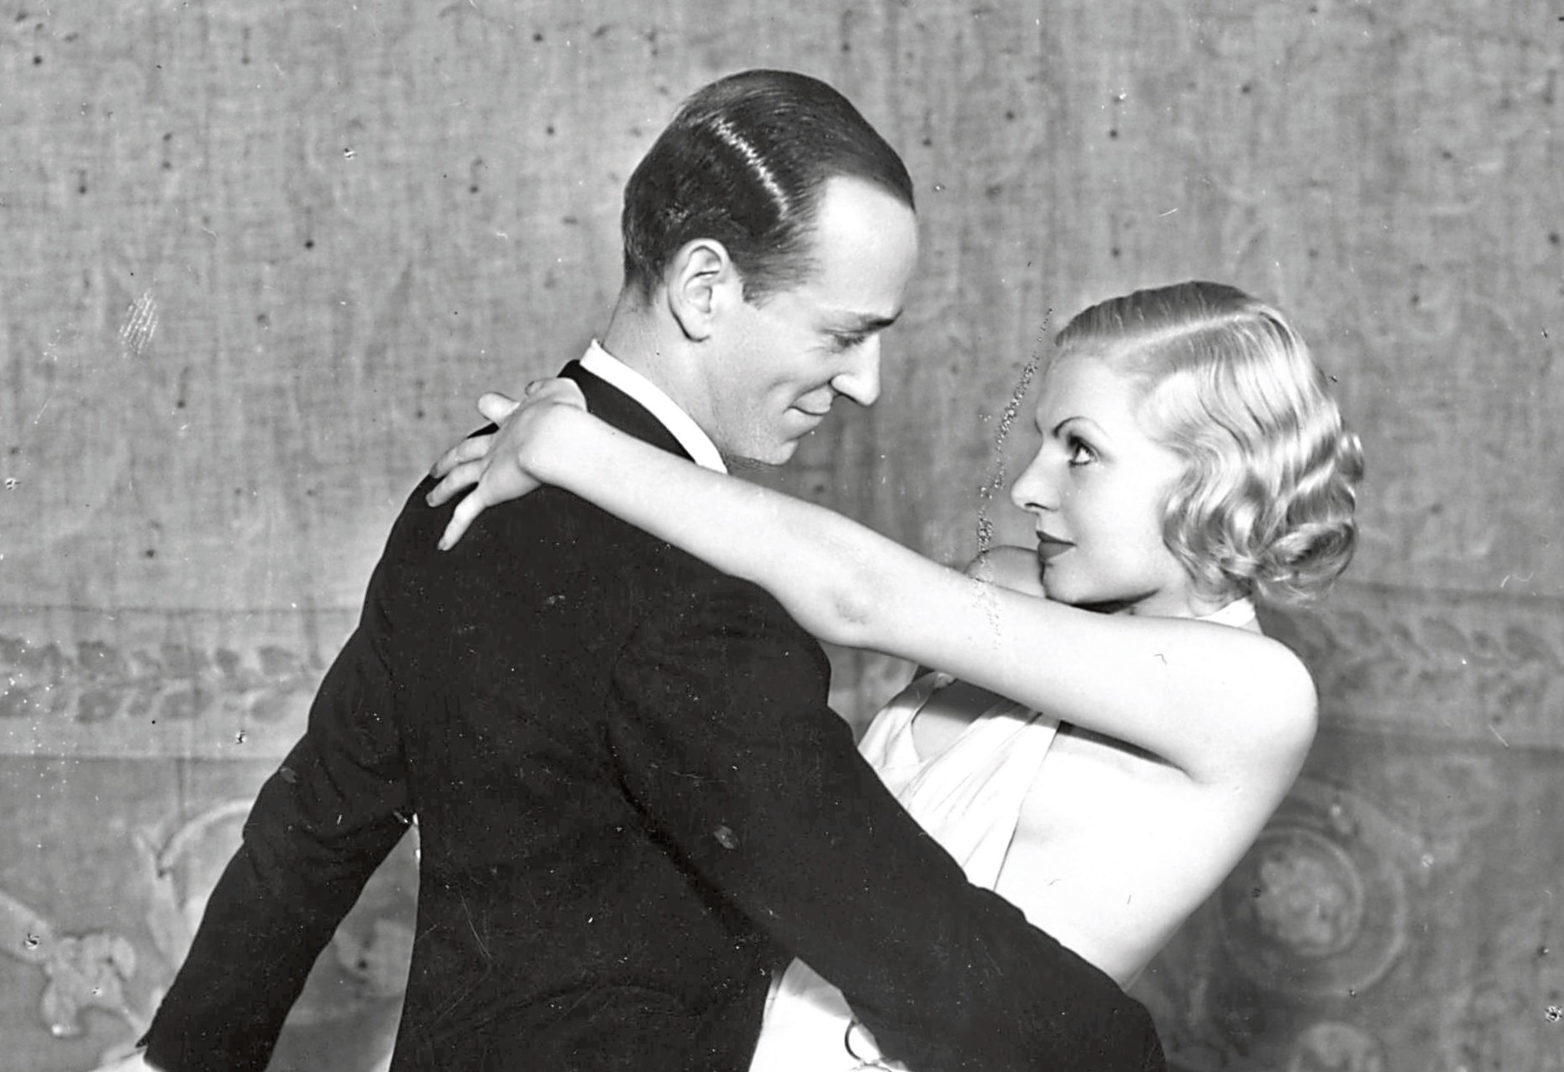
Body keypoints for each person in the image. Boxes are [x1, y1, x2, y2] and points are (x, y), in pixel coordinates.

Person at [126, 70, 1172, 1072]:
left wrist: (180, 1053)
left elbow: (320, 815)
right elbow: (908, 943)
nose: (865, 384)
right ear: (707, 285)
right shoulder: (697, 605)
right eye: (844, 335)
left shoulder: (466, 484)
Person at [425, 280, 1366, 1070]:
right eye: (1039, 441)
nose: (1032, 486)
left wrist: (575, 446)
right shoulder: (1013, 593)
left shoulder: (1253, 693)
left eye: (1079, 449)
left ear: (1217, 473)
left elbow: (856, 594)